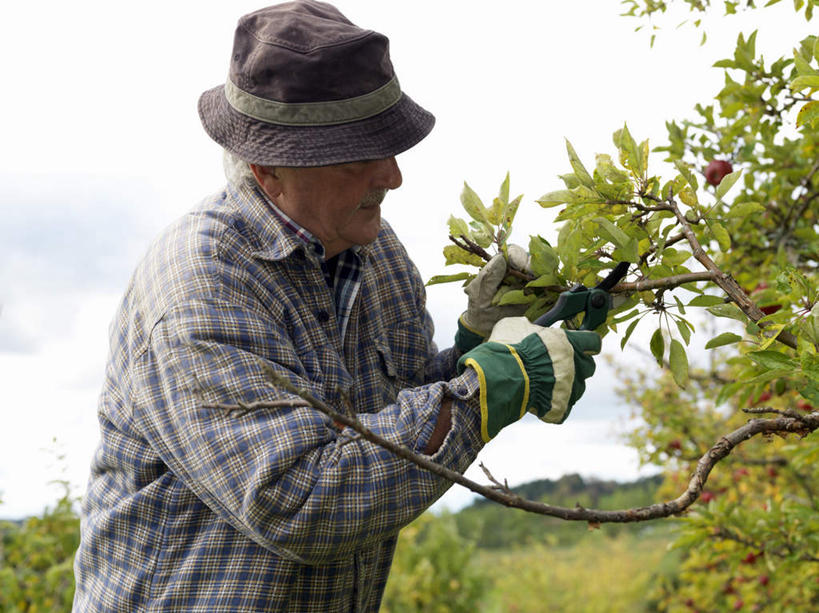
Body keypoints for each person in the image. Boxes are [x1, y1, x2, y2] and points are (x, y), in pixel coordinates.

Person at [72, 2, 601, 610]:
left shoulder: (376, 255)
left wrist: (478, 346)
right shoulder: (200, 285)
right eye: (359, 157)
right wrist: (486, 391)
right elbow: (297, 500)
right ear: (268, 168)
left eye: (390, 146)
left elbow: (388, 425)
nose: (394, 176)